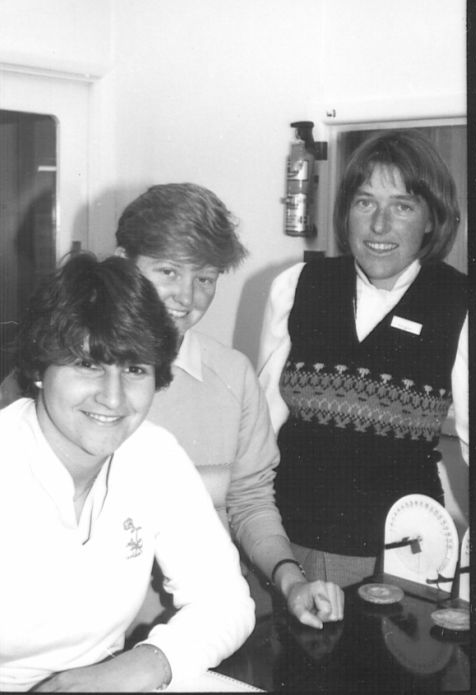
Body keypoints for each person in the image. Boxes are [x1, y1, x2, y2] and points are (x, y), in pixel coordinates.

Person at [0, 253, 255, 692]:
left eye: (135, 369)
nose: (114, 399)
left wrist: (146, 664)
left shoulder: (152, 454)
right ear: (41, 369)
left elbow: (225, 600)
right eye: (88, 364)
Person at [115, 182, 344, 630]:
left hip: (210, 620)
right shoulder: (74, 375)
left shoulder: (233, 375)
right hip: (99, 630)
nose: (187, 296)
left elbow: (250, 501)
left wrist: (291, 579)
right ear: (125, 263)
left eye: (204, 278)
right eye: (167, 271)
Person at [257, 128, 468, 588]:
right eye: (365, 202)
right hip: (288, 541)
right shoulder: (297, 286)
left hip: (401, 554)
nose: (379, 226)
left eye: (403, 207)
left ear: (431, 220)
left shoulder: (460, 303)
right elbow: (263, 425)